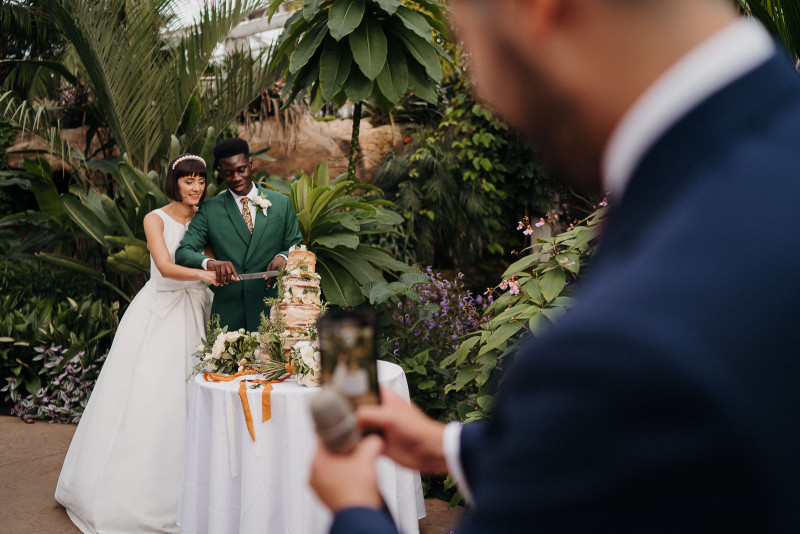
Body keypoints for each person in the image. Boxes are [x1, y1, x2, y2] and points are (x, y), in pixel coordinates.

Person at [309, 1, 800, 532]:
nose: (485, 92)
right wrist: (449, 447)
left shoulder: (624, 347)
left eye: (468, 40)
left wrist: (354, 506)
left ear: (537, 9)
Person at [55, 154, 217, 533]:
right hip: (160, 314)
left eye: (200, 180)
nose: (195, 187)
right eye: (188, 180)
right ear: (174, 183)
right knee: (152, 397)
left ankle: (193, 494)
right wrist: (205, 274)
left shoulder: (205, 218)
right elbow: (164, 266)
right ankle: (132, 497)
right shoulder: (154, 218)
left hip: (197, 311)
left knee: (194, 397)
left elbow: (213, 256)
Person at [175, 138, 303, 332]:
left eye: (241, 170)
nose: (236, 178)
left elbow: (297, 246)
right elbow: (183, 252)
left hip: (274, 310)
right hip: (229, 316)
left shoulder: (281, 203)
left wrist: (283, 256)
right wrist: (210, 263)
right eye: (228, 173)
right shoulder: (209, 210)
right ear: (220, 172)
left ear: (251, 164)